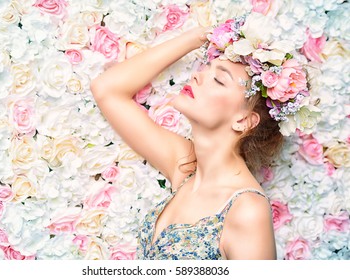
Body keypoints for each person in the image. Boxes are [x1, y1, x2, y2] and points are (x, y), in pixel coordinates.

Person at [91, 13, 309, 260]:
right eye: (204, 68)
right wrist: (198, 36)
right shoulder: (185, 167)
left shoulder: (247, 210)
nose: (196, 76)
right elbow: (107, 90)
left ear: (244, 120)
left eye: (218, 79)